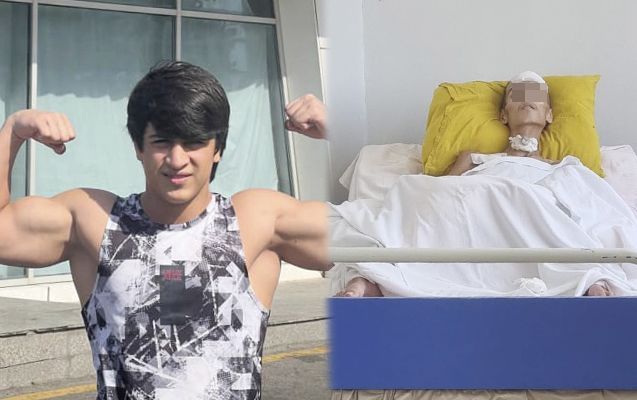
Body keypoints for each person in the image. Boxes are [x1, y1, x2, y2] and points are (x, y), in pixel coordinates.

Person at [0, 61, 330, 399]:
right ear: (138, 147)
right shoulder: (97, 222)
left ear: (217, 148)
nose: (177, 159)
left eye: (193, 142)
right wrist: (13, 131)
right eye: (161, 142)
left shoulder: (255, 222)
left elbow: (366, 239)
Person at [336, 71, 612, 298]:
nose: (528, 101)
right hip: (470, 217)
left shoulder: (564, 167)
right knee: (408, 200)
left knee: (555, 220)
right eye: (518, 96)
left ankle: (586, 279)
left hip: (530, 221)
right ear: (504, 116)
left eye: (536, 97)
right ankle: (374, 279)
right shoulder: (473, 159)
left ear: (549, 115)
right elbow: (436, 196)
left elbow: (595, 214)